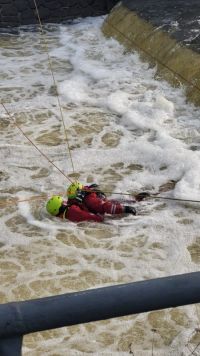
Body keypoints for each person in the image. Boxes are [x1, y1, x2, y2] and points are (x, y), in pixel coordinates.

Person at [46, 182, 150, 223]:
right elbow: (105, 207)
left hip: (104, 210)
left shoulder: (72, 208)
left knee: (126, 202)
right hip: (104, 213)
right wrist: (124, 209)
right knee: (125, 202)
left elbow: (105, 206)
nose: (67, 201)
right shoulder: (77, 206)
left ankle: (138, 200)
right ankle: (138, 200)